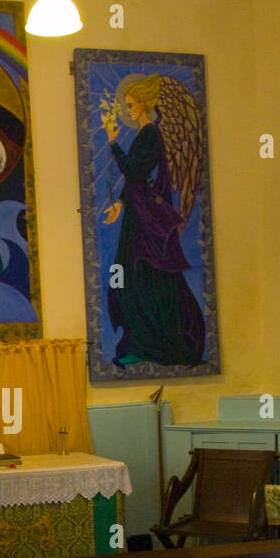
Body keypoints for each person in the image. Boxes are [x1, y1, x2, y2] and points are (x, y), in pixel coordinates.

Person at [102, 74, 205, 367]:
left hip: (148, 224)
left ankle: (163, 344)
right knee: (127, 278)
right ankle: (140, 342)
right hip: (137, 216)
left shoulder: (150, 134)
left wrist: (113, 144)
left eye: (132, 105)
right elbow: (136, 180)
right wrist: (120, 205)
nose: (128, 110)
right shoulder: (142, 134)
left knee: (145, 279)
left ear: (145, 104)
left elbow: (133, 171)